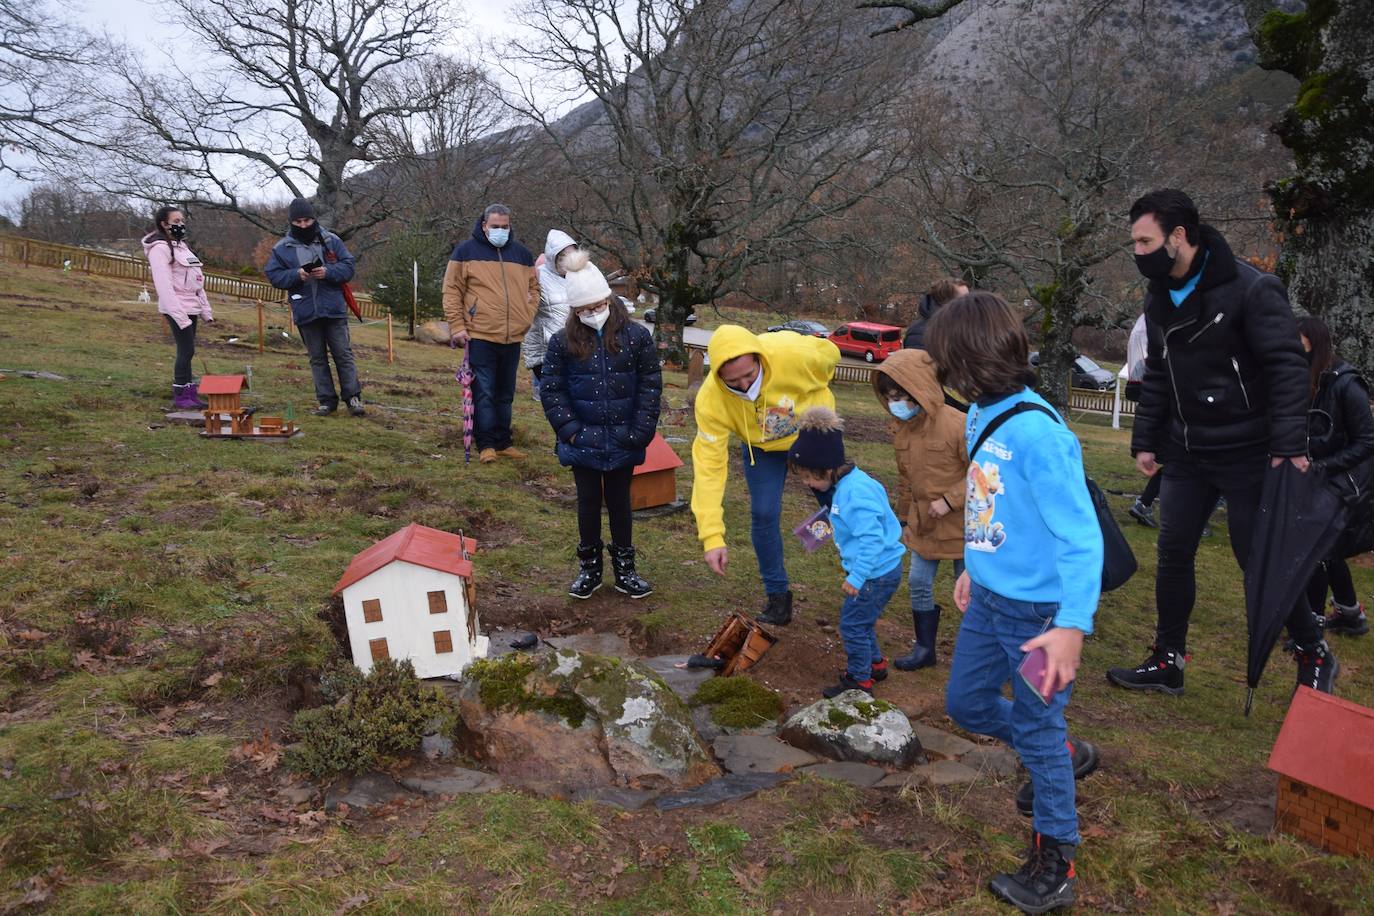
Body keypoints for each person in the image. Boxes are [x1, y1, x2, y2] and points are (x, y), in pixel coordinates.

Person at [1107, 188, 1339, 695]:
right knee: (1172, 551)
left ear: (1179, 236)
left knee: (1258, 557)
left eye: (1145, 242)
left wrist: (1289, 445)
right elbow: (1160, 371)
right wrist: (1147, 439)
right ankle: (1168, 659)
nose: (1138, 253)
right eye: (1135, 243)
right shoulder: (1160, 296)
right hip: (1189, 451)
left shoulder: (1253, 290)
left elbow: (1285, 367)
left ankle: (1312, 650)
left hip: (1250, 450)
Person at [925, 291, 1102, 913]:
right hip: (990, 601)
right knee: (966, 703)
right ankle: (1060, 753)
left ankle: (1055, 860)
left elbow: (1082, 539)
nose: (941, 376)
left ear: (969, 360)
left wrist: (1072, 627)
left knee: (1036, 723)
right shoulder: (981, 413)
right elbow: (987, 503)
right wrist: (976, 567)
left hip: (1040, 623)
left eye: (944, 363)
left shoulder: (1039, 433)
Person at [692, 325, 841, 624]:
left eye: (750, 375)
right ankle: (777, 597)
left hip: (811, 433)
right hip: (761, 447)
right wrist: (712, 537)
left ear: (760, 359)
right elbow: (708, 469)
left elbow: (830, 354)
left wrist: (816, 405)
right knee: (763, 512)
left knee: (839, 504)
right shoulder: (711, 401)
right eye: (733, 382)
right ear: (719, 377)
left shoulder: (791, 354)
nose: (746, 386)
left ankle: (859, 577)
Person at [540, 255, 661, 599]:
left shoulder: (637, 337)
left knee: (621, 503)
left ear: (608, 300)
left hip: (624, 438)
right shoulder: (562, 342)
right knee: (588, 502)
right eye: (584, 310)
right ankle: (589, 569)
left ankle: (626, 570)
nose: (593, 313)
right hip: (583, 440)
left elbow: (650, 386)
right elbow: (552, 390)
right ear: (575, 311)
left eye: (597, 306)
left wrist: (639, 431)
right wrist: (572, 431)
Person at [786, 407, 905, 697]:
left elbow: (872, 540)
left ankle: (859, 680)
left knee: (851, 625)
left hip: (874, 574)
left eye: (808, 478)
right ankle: (875, 664)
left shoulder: (854, 494)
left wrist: (857, 577)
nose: (806, 484)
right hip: (879, 570)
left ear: (826, 470)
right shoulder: (852, 483)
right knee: (862, 620)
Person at [872, 349, 967, 670]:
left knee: (971, 593)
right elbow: (905, 481)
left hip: (965, 528)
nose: (895, 403)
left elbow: (984, 473)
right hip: (924, 525)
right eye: (890, 397)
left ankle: (979, 653)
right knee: (918, 583)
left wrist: (951, 500)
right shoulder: (902, 430)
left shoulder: (959, 424)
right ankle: (925, 648)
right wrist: (902, 519)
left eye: (901, 395)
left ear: (919, 388)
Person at [443, 204, 540, 463]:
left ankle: (503, 441)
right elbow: (452, 291)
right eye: (495, 226)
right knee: (483, 392)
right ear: (484, 225)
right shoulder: (465, 252)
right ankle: (485, 444)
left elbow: (534, 289)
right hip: (480, 335)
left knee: (506, 393)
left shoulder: (522, 254)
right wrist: (457, 326)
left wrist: (526, 316)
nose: (500, 231)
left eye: (505, 226)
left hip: (512, 337)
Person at [1297, 315, 1373, 636]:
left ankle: (1312, 625)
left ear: (1315, 343)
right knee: (1328, 549)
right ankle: (1349, 613)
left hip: (1347, 482)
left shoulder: (1346, 383)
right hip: (1319, 479)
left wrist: (1323, 466)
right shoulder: (1308, 379)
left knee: (1318, 549)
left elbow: (1368, 440)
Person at [263, 198, 363, 416]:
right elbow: (273, 275)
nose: (302, 225)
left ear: (313, 219)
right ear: (291, 222)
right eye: (297, 221)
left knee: (343, 353)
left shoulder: (332, 240)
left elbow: (348, 266)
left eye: (306, 220)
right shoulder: (282, 248)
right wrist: (296, 275)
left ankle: (353, 398)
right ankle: (326, 401)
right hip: (305, 310)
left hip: (333, 309)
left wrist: (328, 272)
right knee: (317, 358)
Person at [143, 205, 212, 410]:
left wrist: (205, 310)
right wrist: (179, 315)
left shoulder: (184, 247)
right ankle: (181, 393)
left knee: (189, 351)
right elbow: (163, 286)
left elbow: (197, 282)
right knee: (186, 350)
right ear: (164, 224)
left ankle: (191, 392)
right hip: (176, 307)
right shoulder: (160, 249)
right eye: (175, 222)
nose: (180, 225)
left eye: (182, 221)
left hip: (191, 306)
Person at [521, 230, 578, 403]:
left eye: (572, 255)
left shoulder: (579, 276)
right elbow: (526, 308)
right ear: (554, 257)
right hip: (545, 351)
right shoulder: (538, 275)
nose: (567, 261)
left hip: (575, 349)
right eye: (563, 256)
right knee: (558, 400)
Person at [1123, 312, 1162, 527]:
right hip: (1159, 398)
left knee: (1175, 460)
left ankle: (1144, 503)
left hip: (1151, 394)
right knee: (1180, 459)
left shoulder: (1145, 322)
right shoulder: (1154, 320)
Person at [902, 277, 969, 351]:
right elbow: (918, 361)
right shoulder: (919, 334)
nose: (970, 303)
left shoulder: (965, 326)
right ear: (947, 302)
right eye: (965, 299)